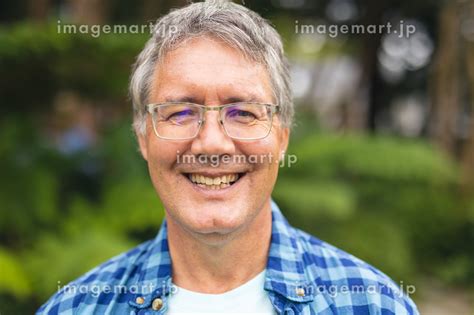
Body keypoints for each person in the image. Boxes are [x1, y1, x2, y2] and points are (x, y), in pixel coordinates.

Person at [38, 1, 419, 314]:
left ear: (282, 137)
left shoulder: (373, 304)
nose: (212, 145)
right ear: (143, 138)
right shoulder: (75, 308)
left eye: (244, 113)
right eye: (179, 113)